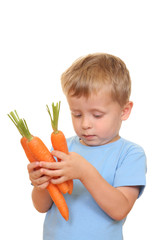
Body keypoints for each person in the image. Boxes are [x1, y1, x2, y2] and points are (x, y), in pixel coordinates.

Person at [27, 53, 146, 240]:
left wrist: (85, 172)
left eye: (97, 115)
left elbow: (120, 209)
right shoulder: (62, 148)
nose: (85, 124)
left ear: (124, 111)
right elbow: (41, 207)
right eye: (77, 114)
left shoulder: (130, 154)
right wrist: (41, 184)